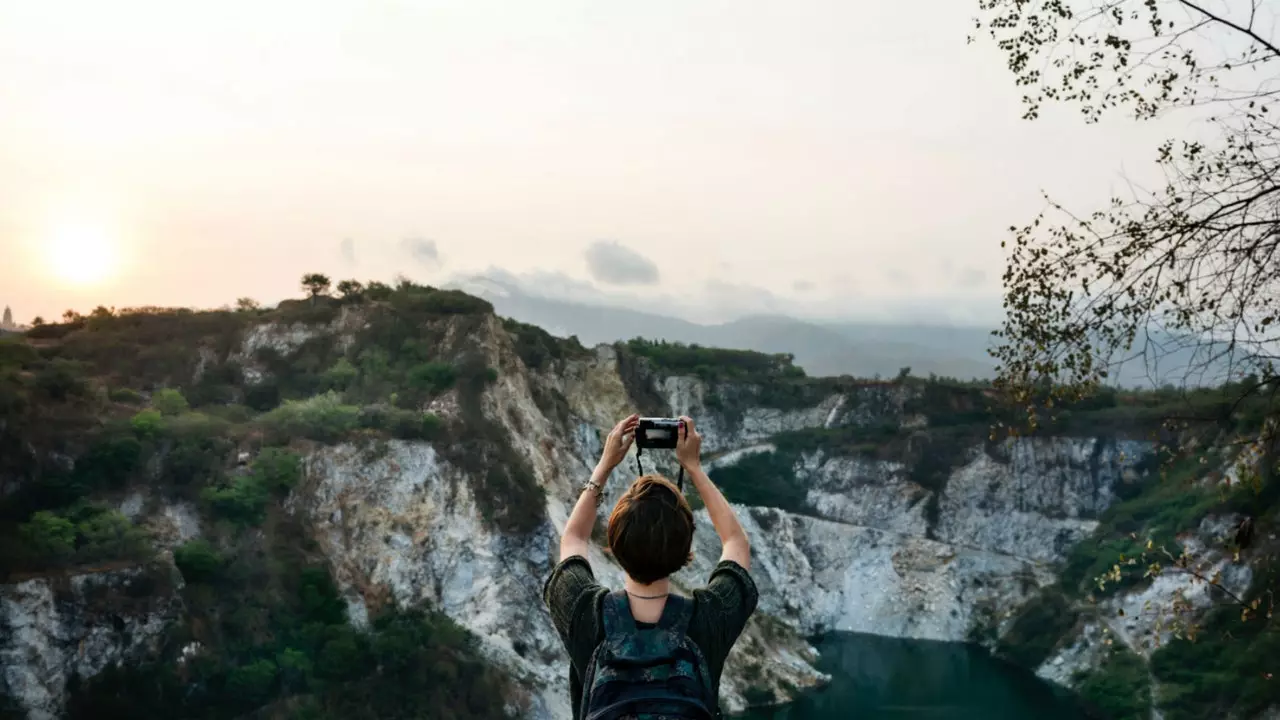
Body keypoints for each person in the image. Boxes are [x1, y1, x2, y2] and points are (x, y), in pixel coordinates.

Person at [542, 413, 757, 720]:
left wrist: (605, 465)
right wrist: (694, 468)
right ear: (686, 547)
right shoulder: (710, 618)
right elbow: (736, 542)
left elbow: (574, 538)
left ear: (614, 545)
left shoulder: (584, 612)